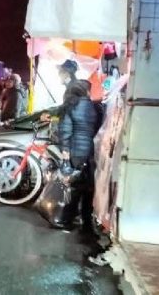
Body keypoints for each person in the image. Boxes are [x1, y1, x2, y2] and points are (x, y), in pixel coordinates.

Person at [58, 80, 99, 233]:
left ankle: (66, 219)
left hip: (76, 150)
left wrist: (65, 150)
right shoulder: (94, 107)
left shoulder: (70, 106)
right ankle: (86, 220)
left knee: (74, 186)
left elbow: (65, 130)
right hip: (91, 151)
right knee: (89, 186)